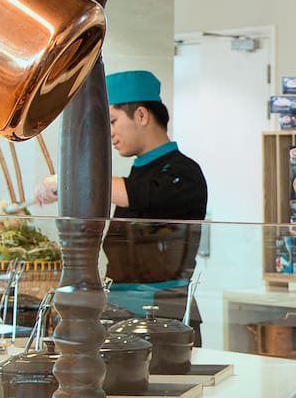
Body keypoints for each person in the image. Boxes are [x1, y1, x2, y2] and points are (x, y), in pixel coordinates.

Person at [35, 70, 209, 333]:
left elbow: (137, 193)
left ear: (141, 115)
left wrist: (70, 179)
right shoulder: (139, 171)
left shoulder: (183, 173)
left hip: (165, 319)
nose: (110, 134)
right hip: (120, 311)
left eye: (113, 121)